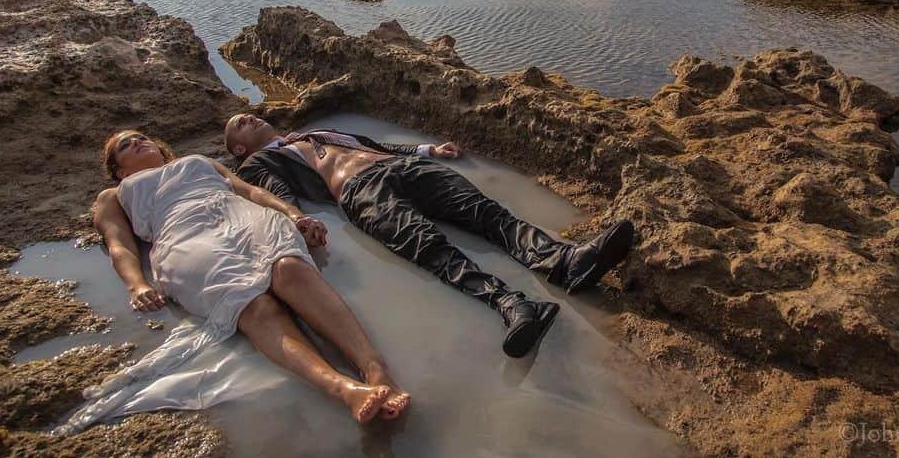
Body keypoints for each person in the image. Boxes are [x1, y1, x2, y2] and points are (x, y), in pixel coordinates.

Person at [60, 130, 410, 434]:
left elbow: (250, 192)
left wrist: (294, 214)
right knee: (255, 306)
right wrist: (137, 284)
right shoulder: (115, 196)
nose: (137, 141)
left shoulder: (197, 161)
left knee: (290, 268)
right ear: (119, 171)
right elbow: (119, 245)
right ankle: (343, 389)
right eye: (126, 145)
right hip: (183, 238)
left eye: (141, 138)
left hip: (237, 215)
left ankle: (375, 369)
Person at [224, 114, 634, 358]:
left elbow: (373, 144)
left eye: (249, 115)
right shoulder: (258, 163)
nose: (249, 119)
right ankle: (512, 304)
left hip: (404, 168)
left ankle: (565, 262)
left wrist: (427, 151)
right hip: (360, 192)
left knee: (485, 213)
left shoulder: (315, 132)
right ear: (239, 149)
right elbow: (271, 196)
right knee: (429, 248)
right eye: (239, 125)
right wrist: (297, 218)